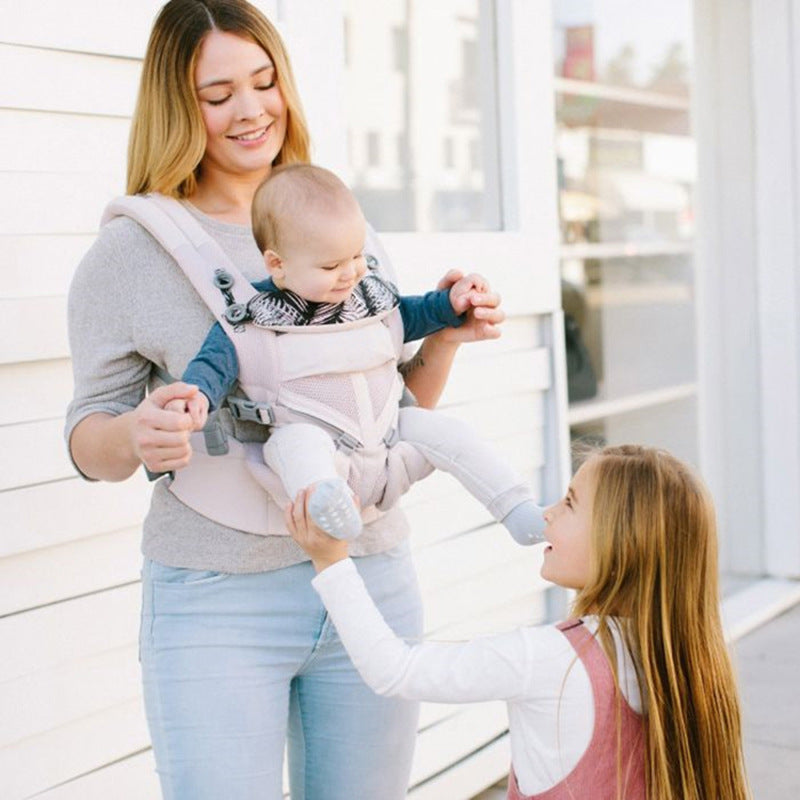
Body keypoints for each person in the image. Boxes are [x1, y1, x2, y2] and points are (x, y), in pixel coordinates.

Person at [64, 1, 504, 798]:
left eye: (264, 82)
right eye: (218, 92)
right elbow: (87, 433)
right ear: (176, 104)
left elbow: (393, 408)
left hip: (369, 575)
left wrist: (444, 336)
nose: (251, 109)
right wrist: (138, 432)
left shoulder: (342, 225)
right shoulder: (129, 252)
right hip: (216, 599)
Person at [289, 444, 751, 800]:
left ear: (622, 542)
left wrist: (331, 562)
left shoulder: (550, 659)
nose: (548, 512)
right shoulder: (685, 661)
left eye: (570, 503)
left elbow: (395, 670)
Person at [168, 163, 545, 543]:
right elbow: (212, 365)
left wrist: (452, 300)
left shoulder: (370, 299)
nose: (350, 273)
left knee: (452, 432)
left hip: (392, 441)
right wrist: (196, 396)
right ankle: (332, 510)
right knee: (295, 445)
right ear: (278, 264)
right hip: (323, 457)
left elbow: (416, 313)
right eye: (331, 265)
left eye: (356, 256)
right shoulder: (254, 321)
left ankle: (518, 508)